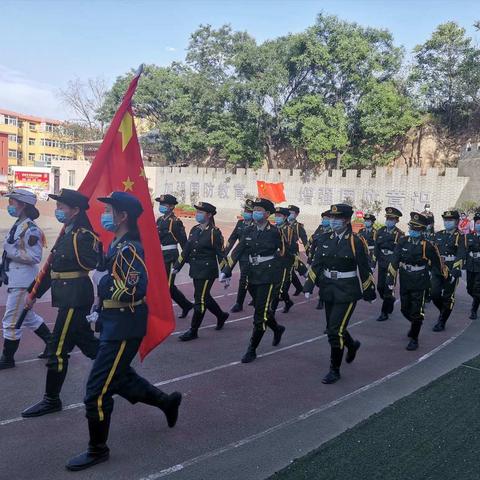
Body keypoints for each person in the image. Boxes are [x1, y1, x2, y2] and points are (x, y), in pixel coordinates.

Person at [66, 192, 181, 471]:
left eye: (109, 210)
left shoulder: (129, 248)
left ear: (123, 216)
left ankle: (98, 449)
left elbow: (134, 288)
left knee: (97, 390)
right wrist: (99, 300)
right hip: (114, 320)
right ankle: (166, 403)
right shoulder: (117, 243)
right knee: (118, 377)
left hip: (124, 325)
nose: (105, 214)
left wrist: (102, 281)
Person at [22, 189, 100, 418]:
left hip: (75, 297)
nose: (57, 211)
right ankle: (130, 379)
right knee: (89, 346)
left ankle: (51, 400)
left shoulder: (82, 235)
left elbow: (93, 262)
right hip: (67, 295)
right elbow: (52, 270)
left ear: (75, 210)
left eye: (61, 208)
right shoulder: (69, 232)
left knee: (56, 349)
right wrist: (33, 293)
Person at [303, 203, 375, 384]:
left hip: (347, 290)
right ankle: (351, 345)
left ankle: (334, 369)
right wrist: (309, 286)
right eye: (331, 218)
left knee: (334, 331)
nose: (333, 221)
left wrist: (369, 291)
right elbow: (317, 264)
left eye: (337, 218)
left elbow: (364, 269)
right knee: (333, 328)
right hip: (328, 287)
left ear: (346, 220)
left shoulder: (356, 241)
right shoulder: (324, 238)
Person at [221, 198, 286, 363]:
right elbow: (238, 250)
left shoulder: (275, 232)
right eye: (254, 209)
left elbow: (285, 252)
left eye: (259, 209)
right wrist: (226, 270)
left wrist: (277, 271)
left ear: (267, 214)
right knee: (261, 308)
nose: (255, 212)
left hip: (268, 277)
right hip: (251, 274)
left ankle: (252, 349)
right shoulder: (248, 230)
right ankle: (277, 328)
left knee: (259, 315)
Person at [0, 189, 50, 369]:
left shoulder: (31, 229)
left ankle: (7, 358)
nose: (9, 206)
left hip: (23, 280)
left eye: (12, 202)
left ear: (23, 205)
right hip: (16, 277)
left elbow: (35, 256)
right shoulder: (18, 225)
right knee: (27, 317)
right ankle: (52, 346)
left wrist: (10, 250)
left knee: (11, 320)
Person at [386, 212, 446, 351]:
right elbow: (394, 260)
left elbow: (437, 265)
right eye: (412, 227)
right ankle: (415, 324)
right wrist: (390, 279)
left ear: (422, 230)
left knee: (416, 311)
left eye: (417, 229)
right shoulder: (403, 241)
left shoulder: (428, 246)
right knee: (404, 309)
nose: (413, 230)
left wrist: (442, 280)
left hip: (420, 280)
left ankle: (414, 338)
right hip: (405, 278)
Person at [174, 202, 229, 341]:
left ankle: (193, 330)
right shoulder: (194, 229)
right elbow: (186, 249)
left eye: (200, 212)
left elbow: (221, 254)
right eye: (197, 211)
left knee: (200, 299)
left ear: (209, 215)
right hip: (195, 269)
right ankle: (221, 315)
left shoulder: (214, 233)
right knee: (204, 296)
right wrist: (177, 266)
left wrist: (225, 271)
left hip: (207, 270)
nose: (197, 214)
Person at [155, 194, 193, 318]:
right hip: (160, 256)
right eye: (160, 204)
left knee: (168, 286)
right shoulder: (160, 220)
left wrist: (186, 259)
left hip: (171, 256)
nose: (161, 207)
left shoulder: (176, 222)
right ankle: (186, 305)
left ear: (171, 206)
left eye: (164, 205)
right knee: (164, 286)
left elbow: (184, 242)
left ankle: (169, 310)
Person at [430, 210, 465, 331]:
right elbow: (433, 252)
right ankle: (443, 311)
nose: (447, 222)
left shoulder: (460, 237)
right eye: (446, 220)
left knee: (448, 296)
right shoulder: (438, 234)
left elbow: (461, 254)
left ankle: (442, 321)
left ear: (456, 222)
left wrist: (456, 270)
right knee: (434, 293)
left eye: (450, 220)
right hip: (438, 268)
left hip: (451, 269)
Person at [224, 199, 255, 313]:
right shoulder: (240, 223)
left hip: (250, 256)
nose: (247, 213)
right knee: (247, 279)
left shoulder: (255, 225)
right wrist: (225, 251)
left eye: (249, 211)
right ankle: (255, 298)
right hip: (240, 255)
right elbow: (232, 238)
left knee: (244, 279)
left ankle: (239, 303)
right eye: (246, 210)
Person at [374, 207, 404, 322]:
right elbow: (377, 248)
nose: (389, 221)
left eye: (392, 219)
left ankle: (384, 312)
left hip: (392, 264)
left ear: (396, 220)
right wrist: (373, 263)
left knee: (388, 288)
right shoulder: (380, 231)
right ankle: (390, 299)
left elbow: (399, 251)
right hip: (382, 262)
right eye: (388, 218)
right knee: (380, 287)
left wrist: (396, 264)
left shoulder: (400, 234)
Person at [270, 207, 296, 314]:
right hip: (274, 262)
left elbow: (289, 247)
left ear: (285, 217)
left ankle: (272, 311)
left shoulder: (289, 230)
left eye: (279, 216)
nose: (277, 218)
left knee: (279, 288)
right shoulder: (274, 228)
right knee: (275, 287)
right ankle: (288, 301)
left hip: (285, 262)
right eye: (276, 216)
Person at [306, 210, 331, 310]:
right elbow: (313, 241)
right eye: (323, 218)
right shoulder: (320, 228)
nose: (324, 220)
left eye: (327, 219)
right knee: (317, 280)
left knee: (323, 280)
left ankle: (321, 300)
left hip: (328, 259)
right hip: (318, 258)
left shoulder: (333, 230)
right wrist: (309, 260)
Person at [287, 205, 308, 296]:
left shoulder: (298, 226)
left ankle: (315, 282)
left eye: (291, 213)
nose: (289, 215)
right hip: (284, 252)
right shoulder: (284, 224)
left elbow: (304, 239)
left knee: (291, 271)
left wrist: (306, 252)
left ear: (296, 214)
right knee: (289, 272)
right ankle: (299, 287)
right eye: (288, 213)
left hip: (293, 253)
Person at [464, 211, 480, 319]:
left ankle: (474, 310)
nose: (479, 224)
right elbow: (465, 250)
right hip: (470, 265)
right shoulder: (469, 236)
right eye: (478, 222)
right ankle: (477, 298)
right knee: (469, 288)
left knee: (477, 288)